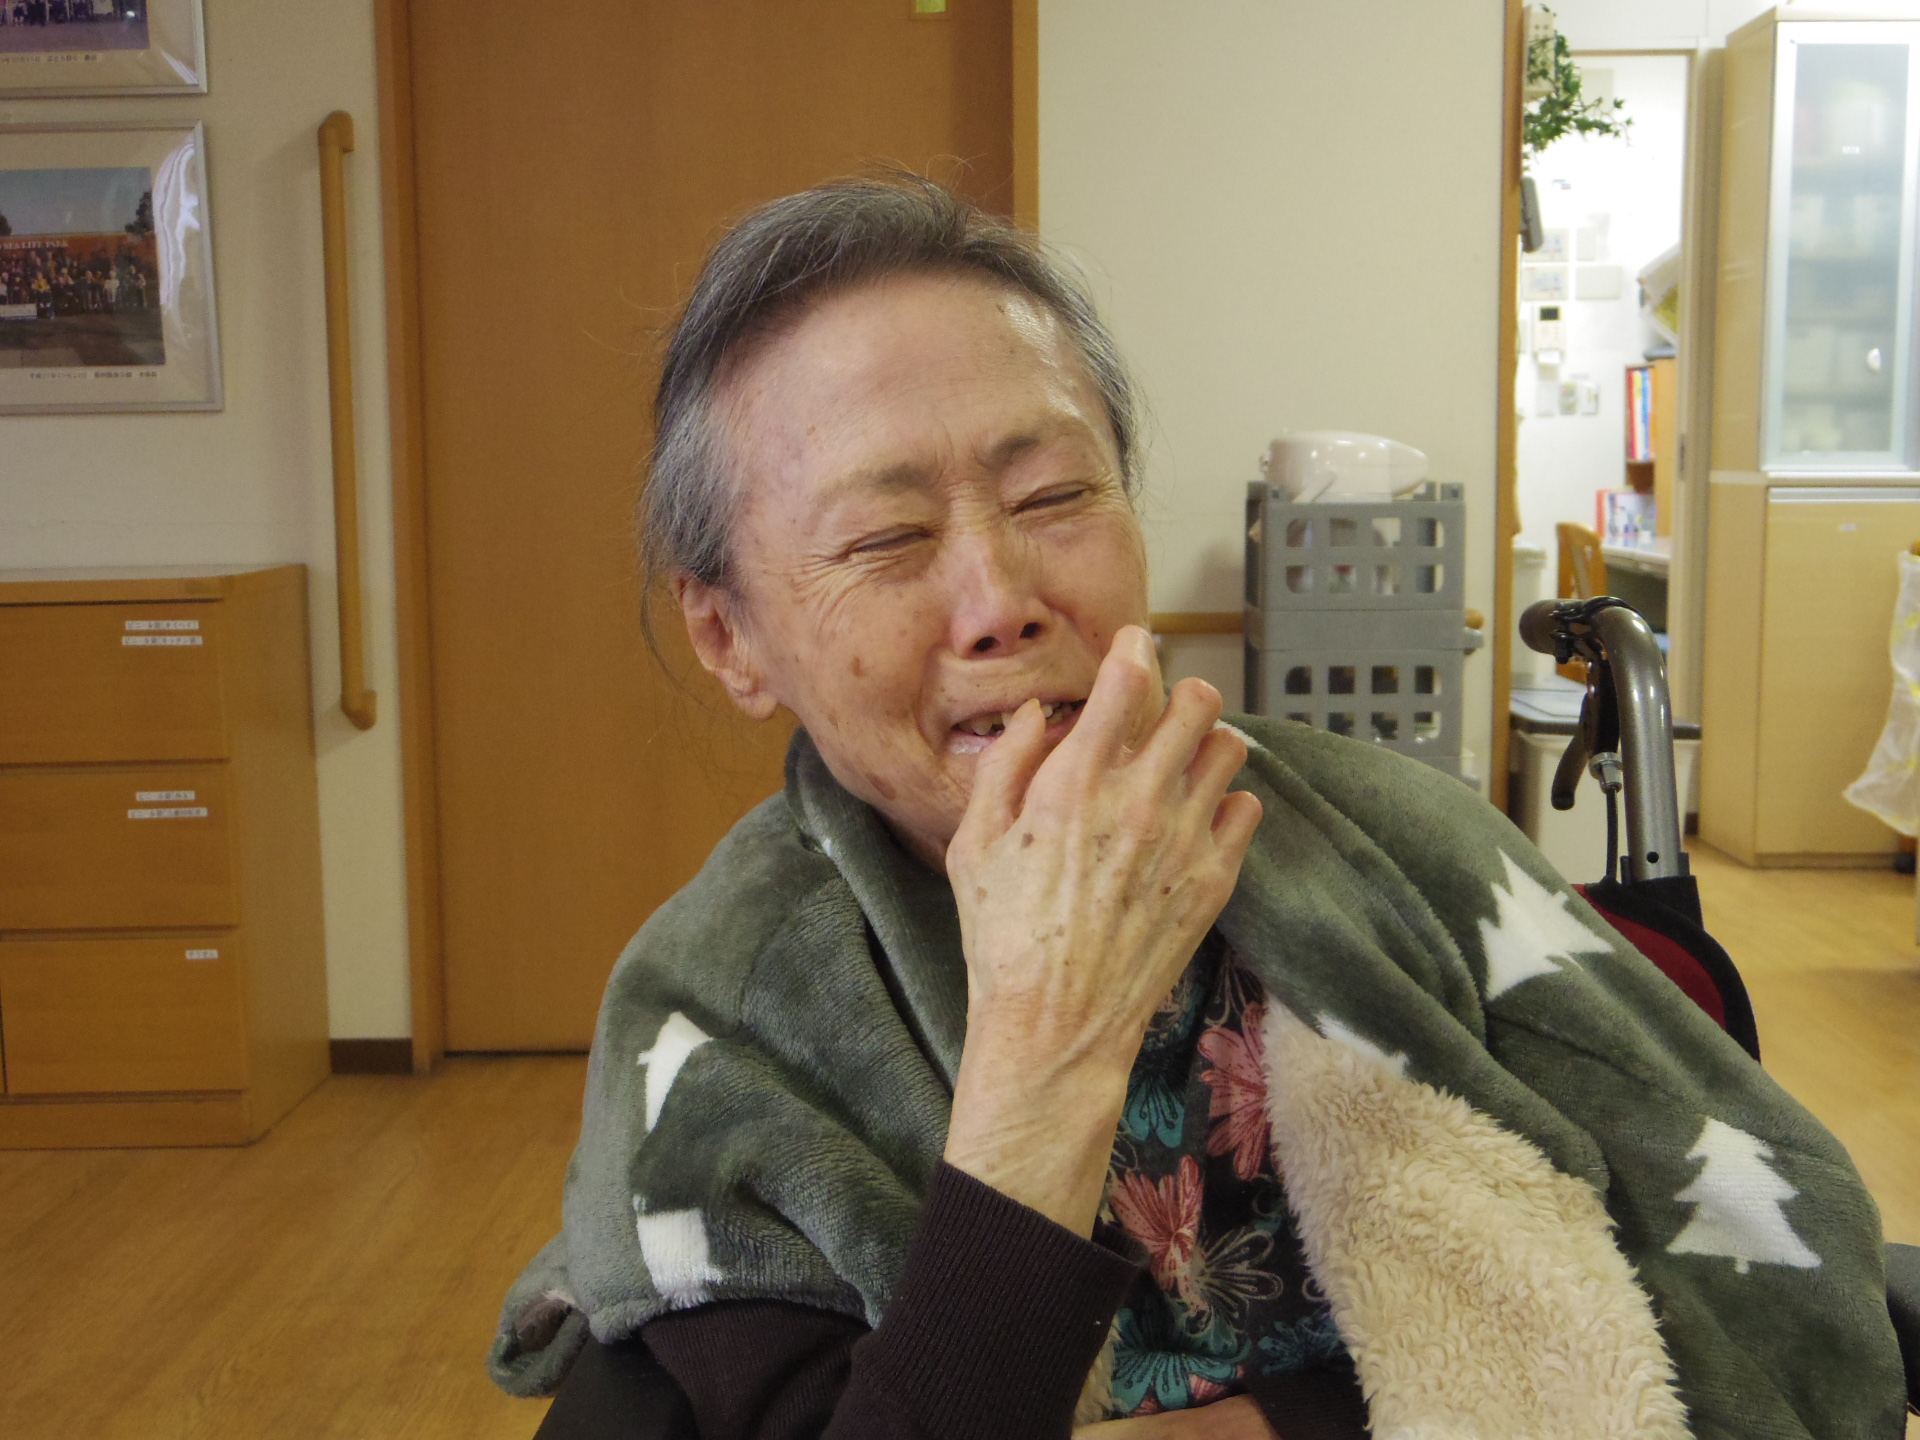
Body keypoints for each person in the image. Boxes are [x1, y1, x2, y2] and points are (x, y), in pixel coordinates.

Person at [492, 176, 1905, 1440]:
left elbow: (1760, 1282)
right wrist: (1045, 1054)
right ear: (730, 637)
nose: (1000, 601)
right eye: (885, 536)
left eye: (1053, 494)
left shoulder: (1388, 836)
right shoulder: (720, 1021)